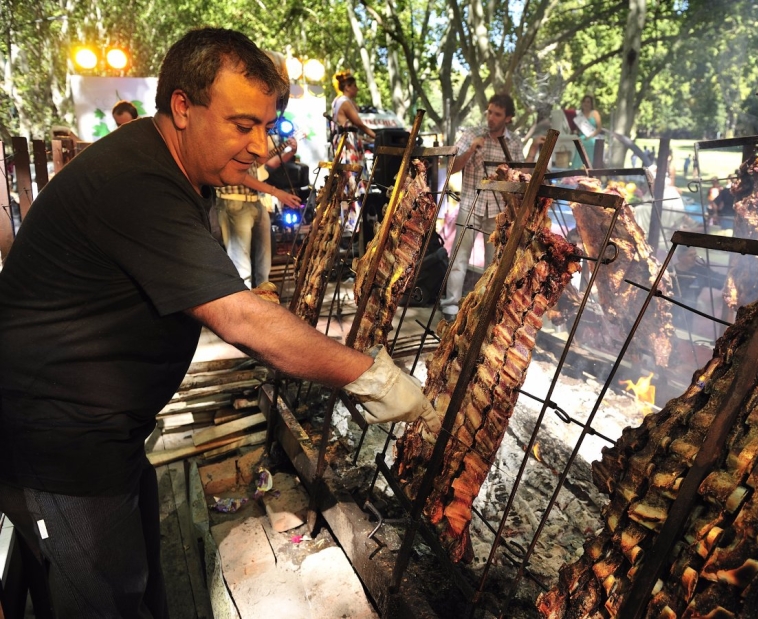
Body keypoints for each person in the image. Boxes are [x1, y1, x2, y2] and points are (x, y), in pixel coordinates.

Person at [0, 28, 439, 619]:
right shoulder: (137, 180)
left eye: (266, 125)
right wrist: (371, 377)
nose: (260, 146)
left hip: (105, 432)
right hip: (55, 441)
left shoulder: (170, 167)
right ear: (183, 107)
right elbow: (237, 319)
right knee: (101, 600)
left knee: (136, 579)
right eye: (242, 124)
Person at [214, 51, 302, 288]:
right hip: (233, 200)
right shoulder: (233, 114)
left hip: (256, 200)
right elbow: (238, 174)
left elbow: (261, 163)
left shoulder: (257, 119)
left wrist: (287, 151)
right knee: (241, 268)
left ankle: (264, 303)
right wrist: (276, 192)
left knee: (264, 267)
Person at [440, 93, 524, 322]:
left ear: (508, 118)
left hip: (498, 209)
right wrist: (470, 150)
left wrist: (534, 150)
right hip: (471, 203)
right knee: (459, 257)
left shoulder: (514, 142)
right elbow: (451, 167)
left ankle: (484, 310)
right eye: (490, 112)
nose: (491, 118)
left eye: (497, 114)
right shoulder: (471, 133)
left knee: (493, 263)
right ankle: (451, 307)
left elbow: (520, 176)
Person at [330, 70, 376, 229]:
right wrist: (377, 136)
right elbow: (359, 124)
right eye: (354, 86)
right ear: (348, 87)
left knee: (350, 183)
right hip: (347, 148)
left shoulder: (338, 100)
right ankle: (353, 224)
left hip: (346, 145)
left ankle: (351, 223)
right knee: (352, 182)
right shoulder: (344, 102)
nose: (357, 89)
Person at [672, 245, 725, 329]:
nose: (694, 258)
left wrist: (733, 276)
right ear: (680, 258)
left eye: (695, 254)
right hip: (670, 313)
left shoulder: (701, 272)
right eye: (690, 255)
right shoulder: (670, 272)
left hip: (687, 319)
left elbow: (719, 280)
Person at [571, 94, 601, 169]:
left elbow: (599, 128)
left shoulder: (595, 113)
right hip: (582, 137)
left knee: (590, 142)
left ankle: (589, 168)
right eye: (584, 102)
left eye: (588, 102)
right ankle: (578, 168)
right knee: (580, 142)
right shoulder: (579, 115)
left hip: (593, 136)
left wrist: (590, 136)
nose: (586, 104)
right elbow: (578, 130)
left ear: (591, 104)